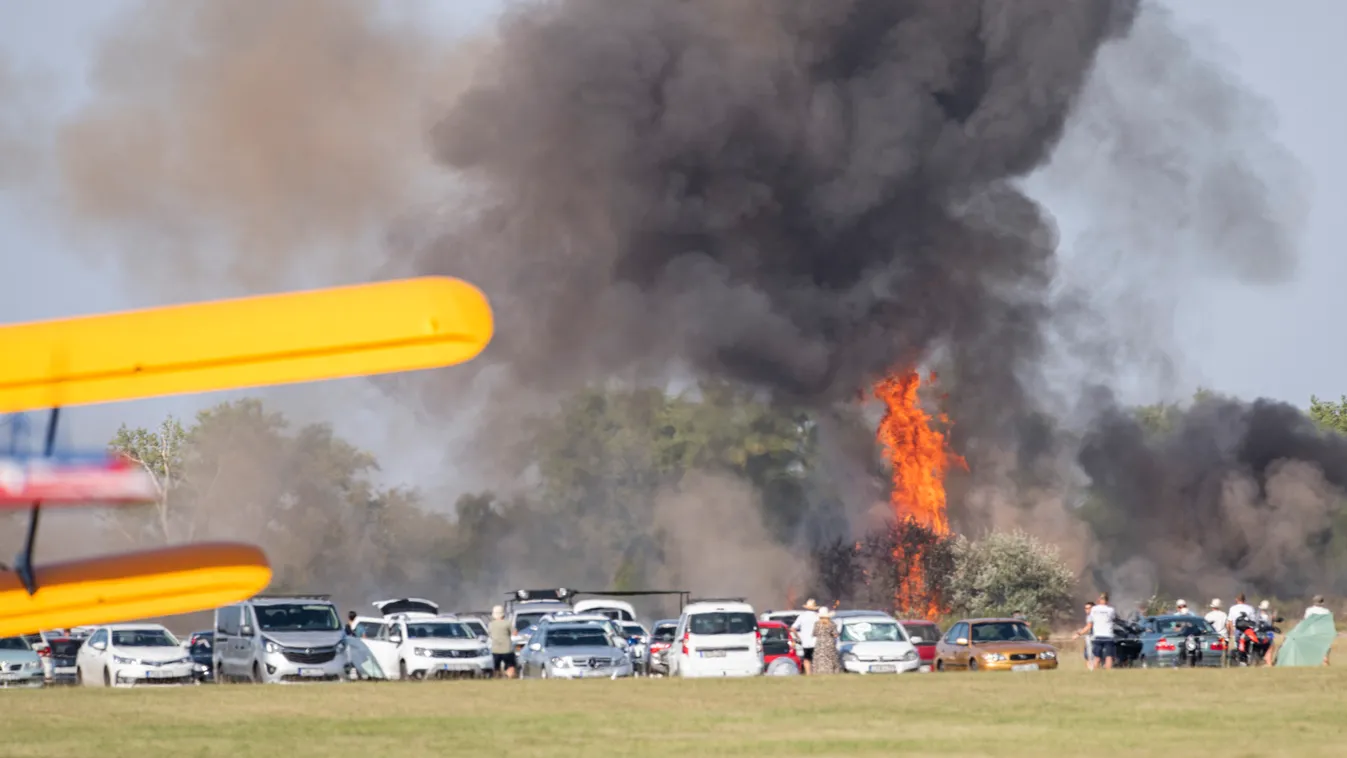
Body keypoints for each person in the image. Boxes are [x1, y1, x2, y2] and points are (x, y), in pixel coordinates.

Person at [1074, 593, 1116, 670]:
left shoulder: (1094, 609)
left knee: (1097, 657)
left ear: (1099, 600)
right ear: (1107, 600)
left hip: (1097, 636)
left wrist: (1078, 633)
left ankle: (1095, 672)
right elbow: (1112, 618)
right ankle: (1109, 673)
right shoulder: (1111, 610)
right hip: (1108, 636)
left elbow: (1090, 624)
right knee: (1109, 656)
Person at [791, 599, 820, 675]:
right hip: (816, 641)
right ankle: (816, 673)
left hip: (805, 642)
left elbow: (793, 628)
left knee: (807, 659)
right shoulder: (817, 616)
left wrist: (798, 637)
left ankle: (808, 674)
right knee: (816, 659)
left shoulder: (802, 616)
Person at [488, 605, 516, 679]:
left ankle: (497, 677)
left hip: (495, 649)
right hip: (507, 649)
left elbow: (490, 635)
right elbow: (515, 632)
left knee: (496, 667)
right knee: (510, 665)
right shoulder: (507, 623)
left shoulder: (491, 624)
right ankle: (509, 678)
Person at [811, 606, 841, 675]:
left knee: (819, 659)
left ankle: (818, 672)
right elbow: (835, 634)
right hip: (829, 643)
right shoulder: (832, 624)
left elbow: (814, 633)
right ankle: (831, 672)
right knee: (831, 659)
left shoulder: (817, 624)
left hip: (820, 643)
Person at [1081, 601, 1095, 666]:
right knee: (1087, 655)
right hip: (1091, 636)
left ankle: (1091, 668)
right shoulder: (1089, 616)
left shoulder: (1091, 616)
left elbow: (1089, 626)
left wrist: (1078, 633)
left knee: (1089, 654)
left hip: (1093, 637)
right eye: (1086, 608)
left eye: (1089, 608)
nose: (1087, 610)